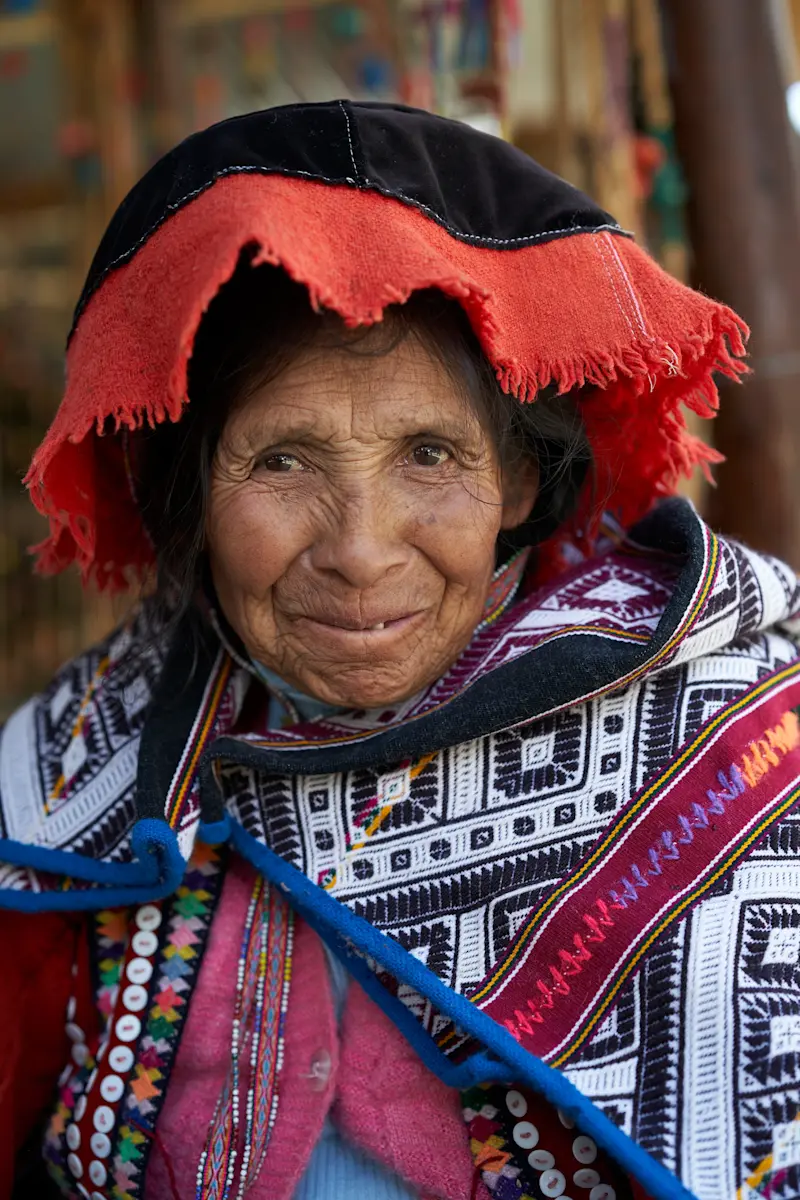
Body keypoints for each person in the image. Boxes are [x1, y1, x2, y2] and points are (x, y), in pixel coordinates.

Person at [0, 101, 797, 1200]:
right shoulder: (73, 772)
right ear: (188, 495)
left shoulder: (737, 747)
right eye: (281, 462)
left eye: (428, 454)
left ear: (518, 479)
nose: (361, 552)